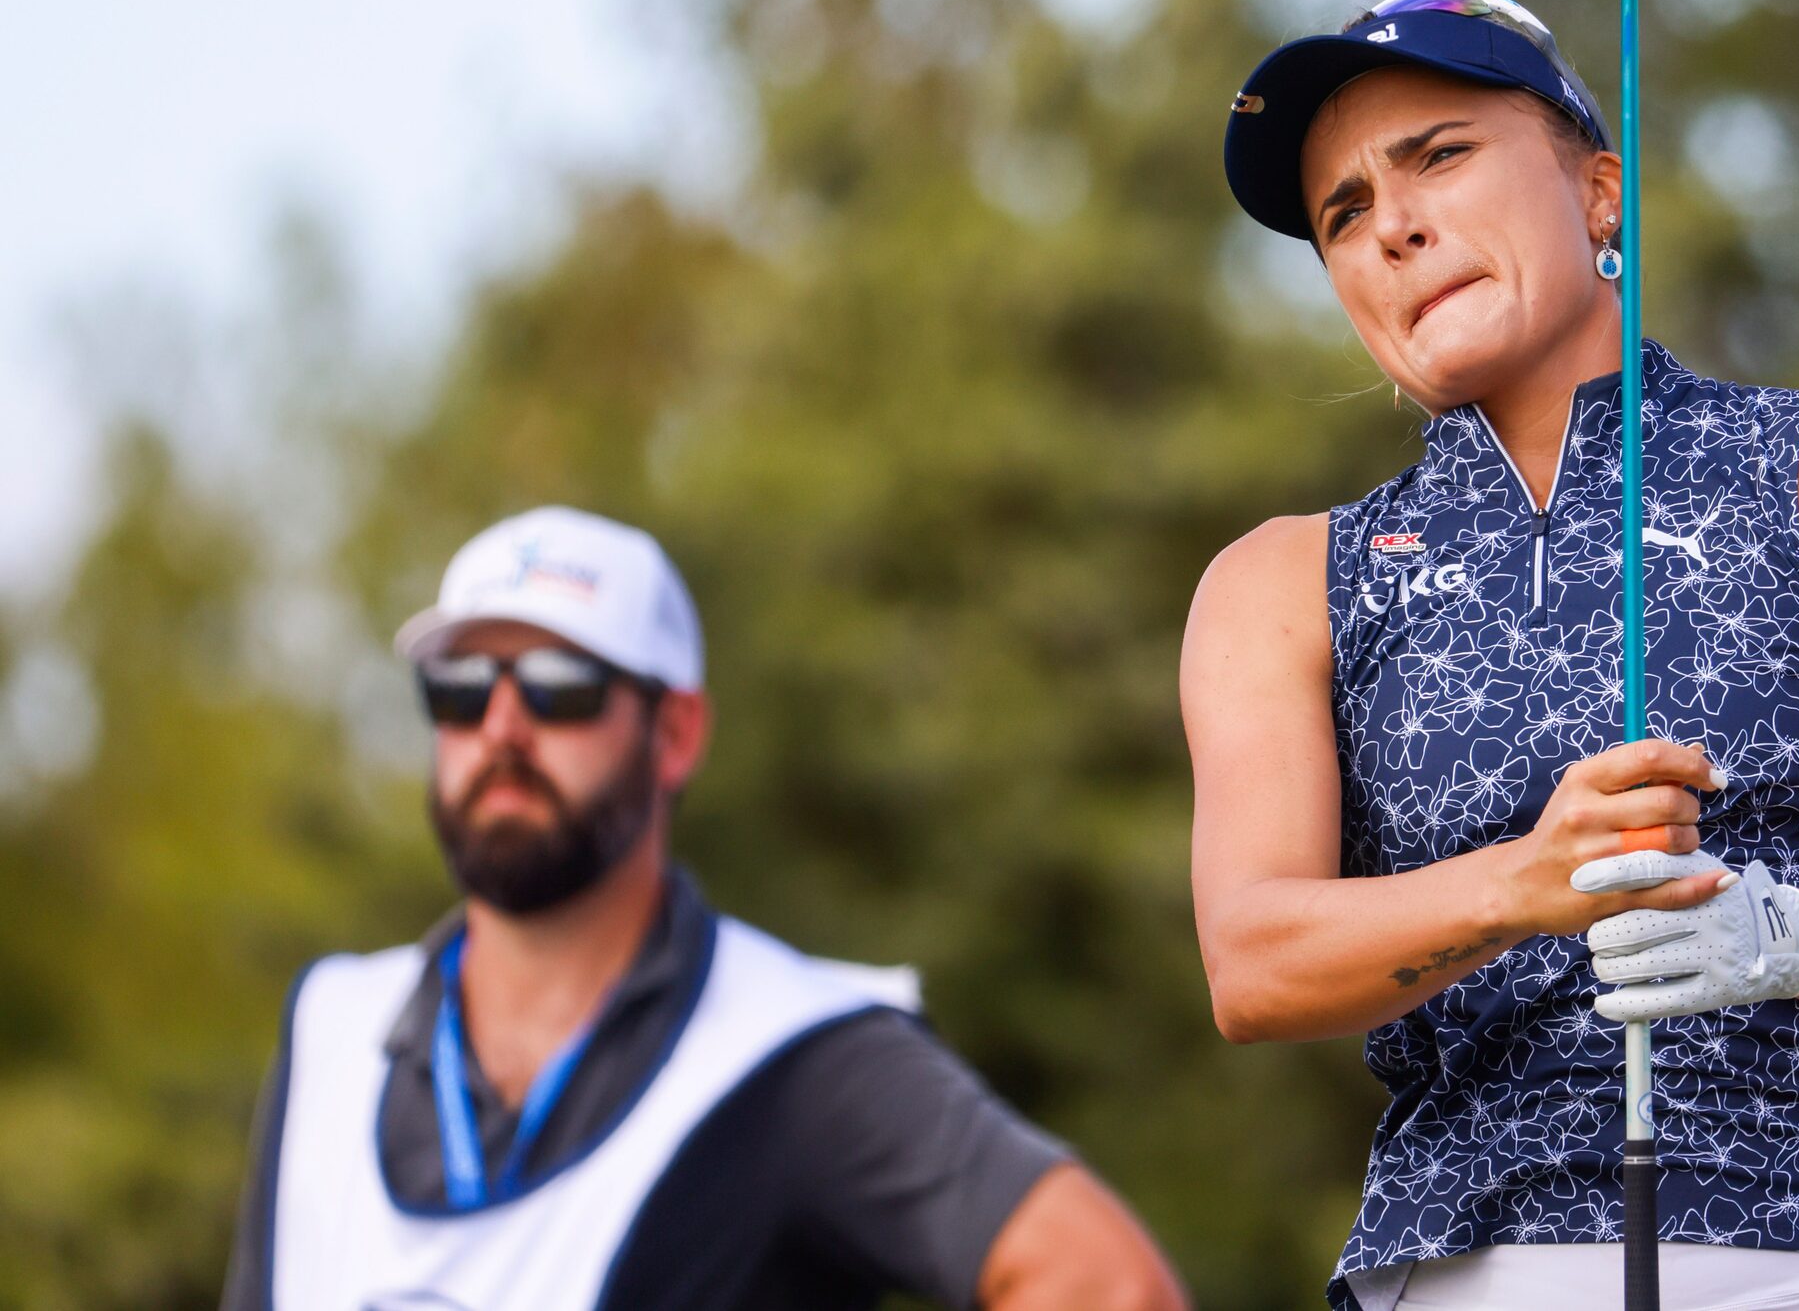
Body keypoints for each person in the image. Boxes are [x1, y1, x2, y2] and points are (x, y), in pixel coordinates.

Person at [1183, 0, 1799, 1310]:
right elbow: (1252, 959)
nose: (1395, 226)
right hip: (1463, 1266)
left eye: (1441, 154)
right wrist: (1521, 882)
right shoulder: (1279, 581)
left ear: (1601, 191)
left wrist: (1788, 930)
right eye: (1342, 212)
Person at [222, 504, 1186, 1311]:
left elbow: (1106, 1284)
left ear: (675, 732)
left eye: (562, 686)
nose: (502, 728)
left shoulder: (800, 1053)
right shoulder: (330, 1029)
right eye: (461, 687)